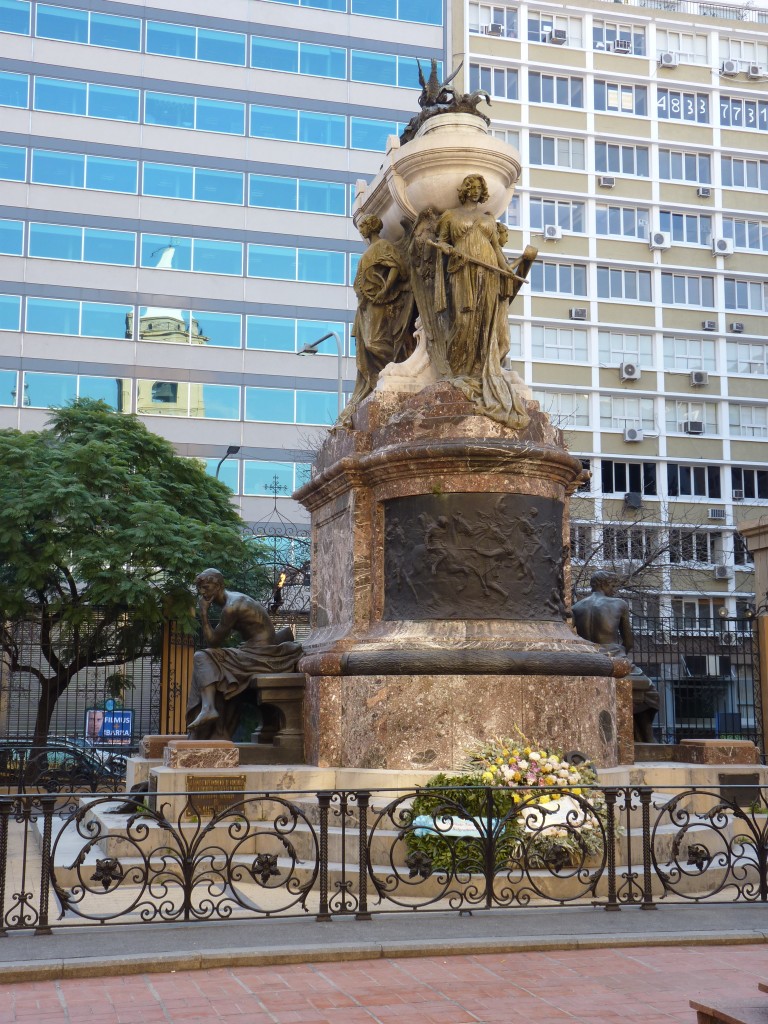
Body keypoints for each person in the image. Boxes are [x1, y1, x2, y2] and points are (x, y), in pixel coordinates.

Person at [432, 174, 529, 428]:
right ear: (464, 190)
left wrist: (506, 269)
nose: (475, 191)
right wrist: (445, 247)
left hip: (488, 272)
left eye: (479, 188)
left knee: (485, 320)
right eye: (471, 187)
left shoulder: (488, 219)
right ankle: (460, 369)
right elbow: (441, 242)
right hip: (462, 270)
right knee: (463, 320)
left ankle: (479, 367)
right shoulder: (450, 217)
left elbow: (496, 249)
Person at [186, 569, 302, 739]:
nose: (203, 592)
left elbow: (213, 642)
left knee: (202, 657)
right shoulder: (233, 600)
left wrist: (203, 613)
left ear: (218, 585)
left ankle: (208, 708)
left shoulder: (232, 607)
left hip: (262, 655)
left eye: (206, 587)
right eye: (200, 589)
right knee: (214, 669)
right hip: (253, 651)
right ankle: (214, 728)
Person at [571, 571, 660, 743]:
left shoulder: (577, 607)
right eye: (612, 586)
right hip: (614, 658)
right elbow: (628, 640)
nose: (614, 590)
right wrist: (621, 654)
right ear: (603, 584)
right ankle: (647, 740)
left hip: (587, 657)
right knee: (651, 694)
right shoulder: (619, 604)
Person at [346, 214, 414, 413]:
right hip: (365, 305)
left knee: (373, 342)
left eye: (364, 226)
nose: (362, 230)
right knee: (366, 344)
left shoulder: (383, 245)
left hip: (377, 302)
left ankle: (397, 366)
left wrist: (385, 289)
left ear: (371, 227)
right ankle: (383, 374)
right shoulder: (370, 250)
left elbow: (395, 266)